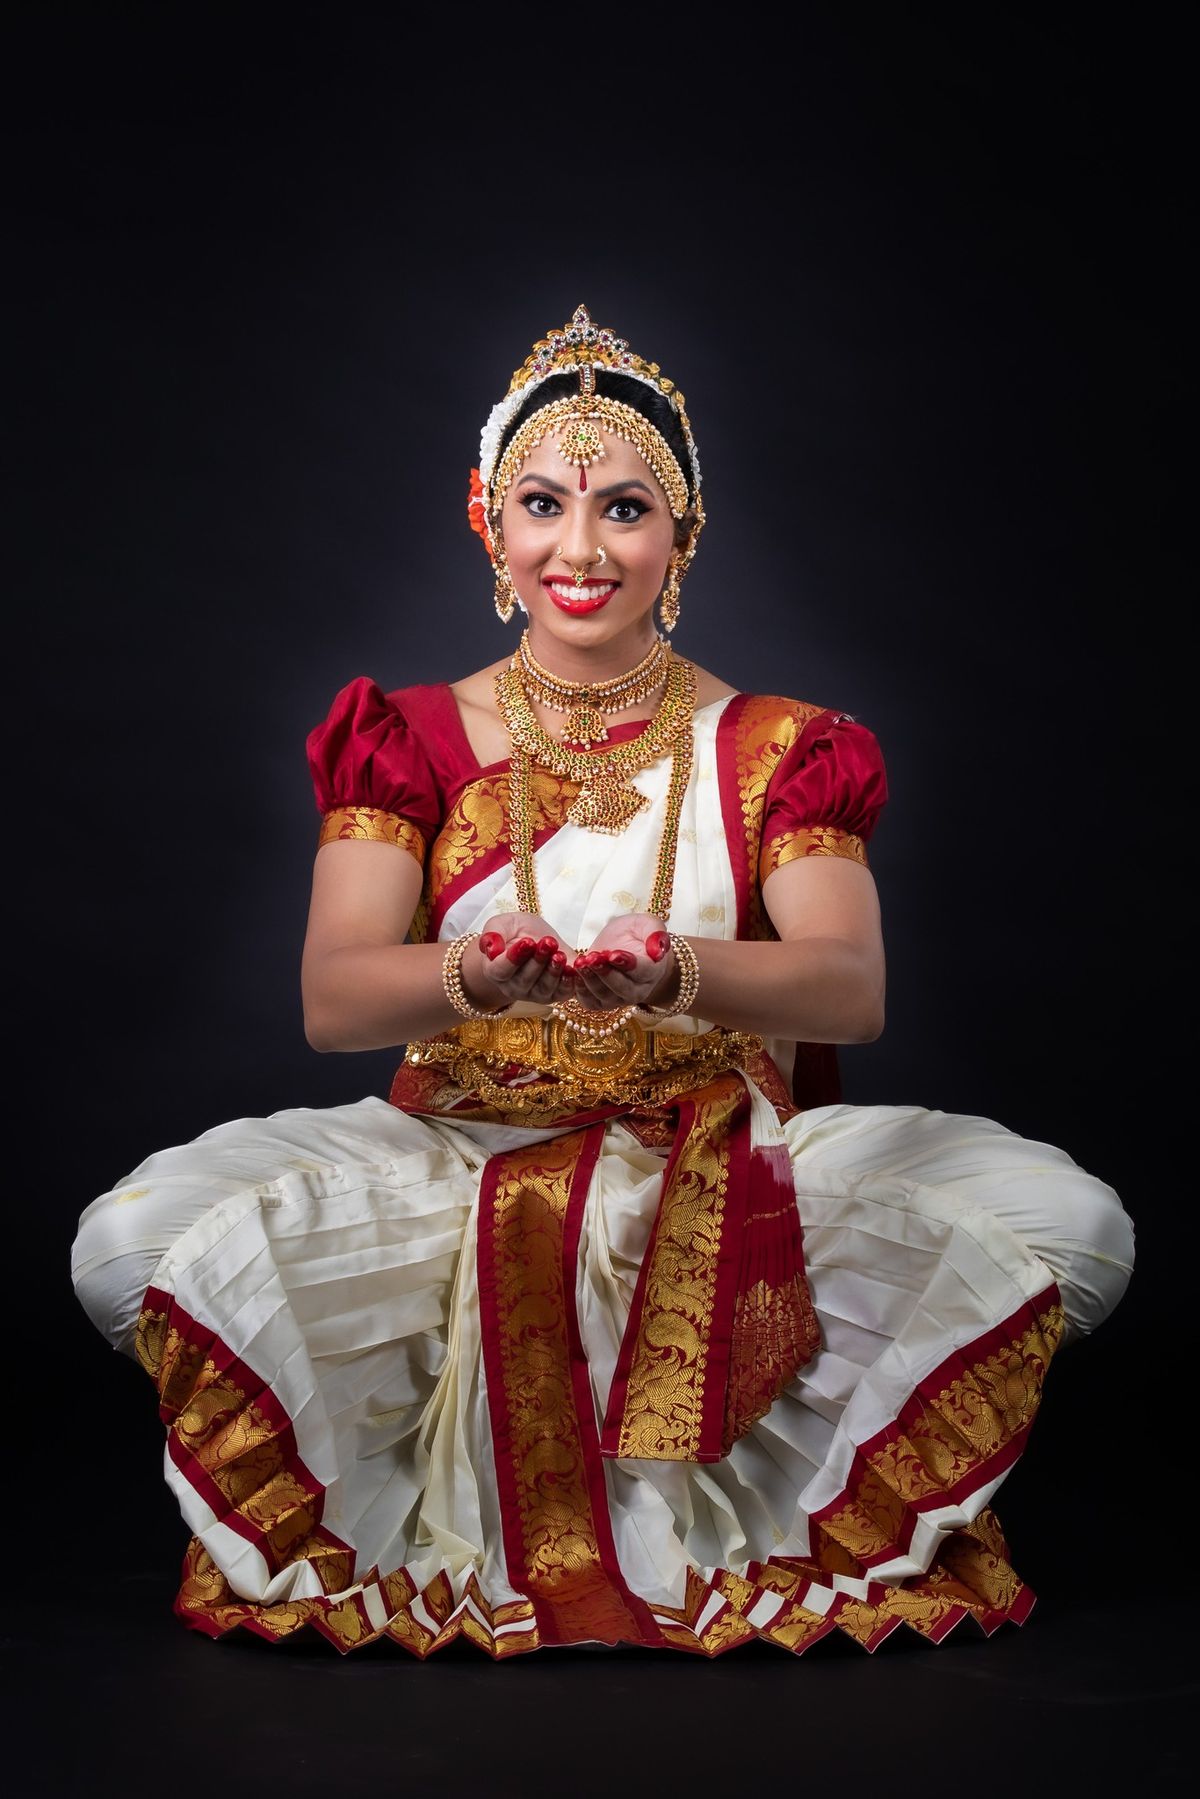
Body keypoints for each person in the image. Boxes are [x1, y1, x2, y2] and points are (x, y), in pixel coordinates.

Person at [70, 304, 1135, 1659]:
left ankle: (772, 1504)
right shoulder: (399, 737)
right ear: (487, 523)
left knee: (1075, 1226)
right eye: (543, 504)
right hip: (455, 1158)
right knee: (132, 1245)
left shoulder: (779, 747)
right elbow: (335, 1003)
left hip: (713, 1161)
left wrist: (682, 973)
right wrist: (475, 977)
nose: (581, 549)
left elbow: (848, 989)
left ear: (683, 538)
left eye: (625, 507)